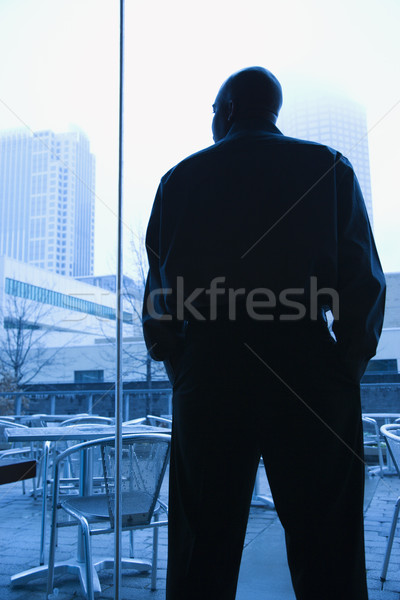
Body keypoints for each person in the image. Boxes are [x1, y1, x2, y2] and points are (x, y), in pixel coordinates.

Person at [142, 67, 386, 600]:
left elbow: (160, 295)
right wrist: (344, 366)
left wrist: (181, 361)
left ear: (227, 110)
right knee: (329, 544)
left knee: (202, 545)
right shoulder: (328, 169)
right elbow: (362, 280)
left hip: (211, 368)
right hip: (307, 363)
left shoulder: (180, 180)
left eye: (212, 110)